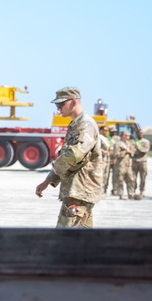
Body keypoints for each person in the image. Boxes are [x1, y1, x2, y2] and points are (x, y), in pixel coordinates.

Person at [35, 87, 103, 228]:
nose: (58, 109)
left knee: (65, 239)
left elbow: (74, 154)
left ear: (73, 102)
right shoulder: (76, 125)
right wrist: (49, 180)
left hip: (80, 192)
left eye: (60, 104)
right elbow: (69, 157)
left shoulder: (85, 124)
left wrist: (52, 174)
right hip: (76, 192)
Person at [130, 130, 152, 199]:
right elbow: (131, 151)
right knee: (133, 177)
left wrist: (138, 147)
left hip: (143, 161)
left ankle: (141, 191)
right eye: (138, 133)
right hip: (134, 161)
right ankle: (133, 190)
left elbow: (145, 150)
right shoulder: (133, 141)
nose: (140, 134)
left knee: (143, 177)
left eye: (141, 133)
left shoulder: (146, 141)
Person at [111, 131, 133, 199]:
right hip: (121, 165)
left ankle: (131, 194)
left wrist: (130, 152)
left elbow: (132, 153)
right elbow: (116, 154)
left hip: (128, 164)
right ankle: (121, 194)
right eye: (126, 135)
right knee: (120, 180)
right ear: (122, 136)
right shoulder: (118, 144)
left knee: (131, 179)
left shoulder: (129, 144)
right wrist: (125, 152)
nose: (128, 136)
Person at [97, 126, 112, 195]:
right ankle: (99, 191)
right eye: (104, 130)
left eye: (106, 130)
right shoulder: (98, 138)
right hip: (101, 159)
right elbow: (97, 148)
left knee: (106, 175)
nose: (106, 132)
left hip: (107, 159)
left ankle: (104, 190)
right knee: (101, 175)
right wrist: (103, 151)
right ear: (100, 130)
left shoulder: (107, 138)